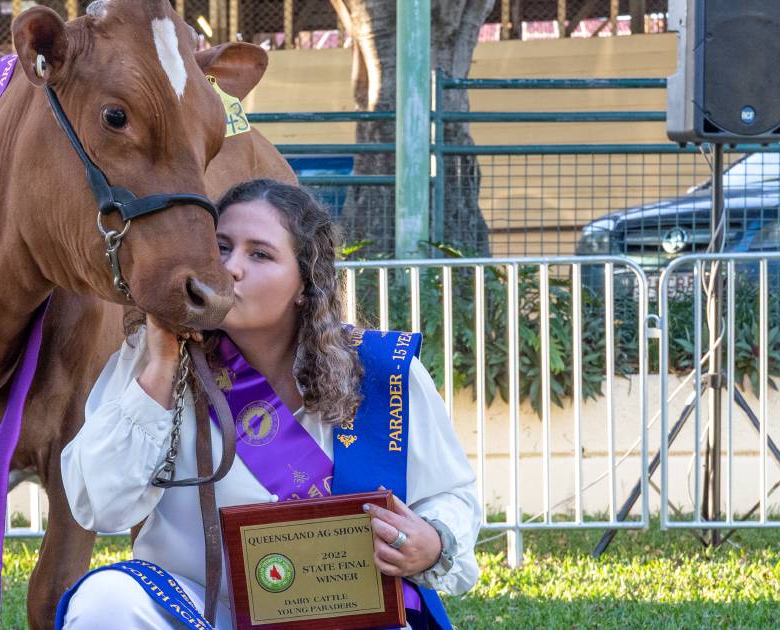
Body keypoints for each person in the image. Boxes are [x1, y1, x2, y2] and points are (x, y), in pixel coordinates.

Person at [56, 179, 480, 629]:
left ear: (305, 283)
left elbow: (451, 494)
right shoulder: (149, 360)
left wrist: (433, 542)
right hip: (198, 612)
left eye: (259, 254)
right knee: (105, 600)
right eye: (220, 247)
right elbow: (100, 509)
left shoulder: (381, 372)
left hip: (342, 617)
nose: (230, 267)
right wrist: (161, 366)